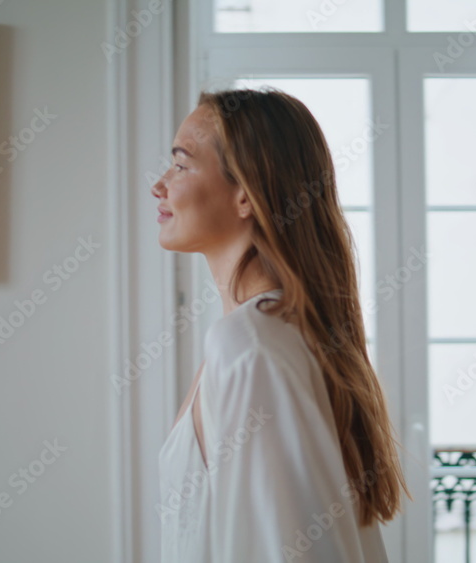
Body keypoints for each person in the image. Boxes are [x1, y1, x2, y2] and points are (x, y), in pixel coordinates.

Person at [153, 87, 411, 562]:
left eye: (181, 163)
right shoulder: (270, 334)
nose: (159, 184)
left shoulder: (250, 345)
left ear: (245, 195)